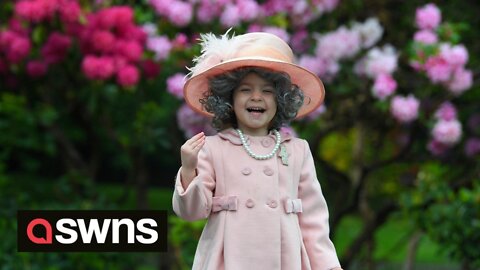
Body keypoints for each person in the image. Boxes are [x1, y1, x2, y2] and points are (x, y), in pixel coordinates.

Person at [172, 31, 343, 270]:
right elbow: (191, 212)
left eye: (267, 90)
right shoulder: (213, 149)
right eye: (245, 89)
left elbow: (314, 220)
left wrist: (328, 266)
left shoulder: (296, 151)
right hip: (229, 260)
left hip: (285, 261)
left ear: (281, 99)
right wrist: (189, 169)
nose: (256, 97)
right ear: (228, 98)